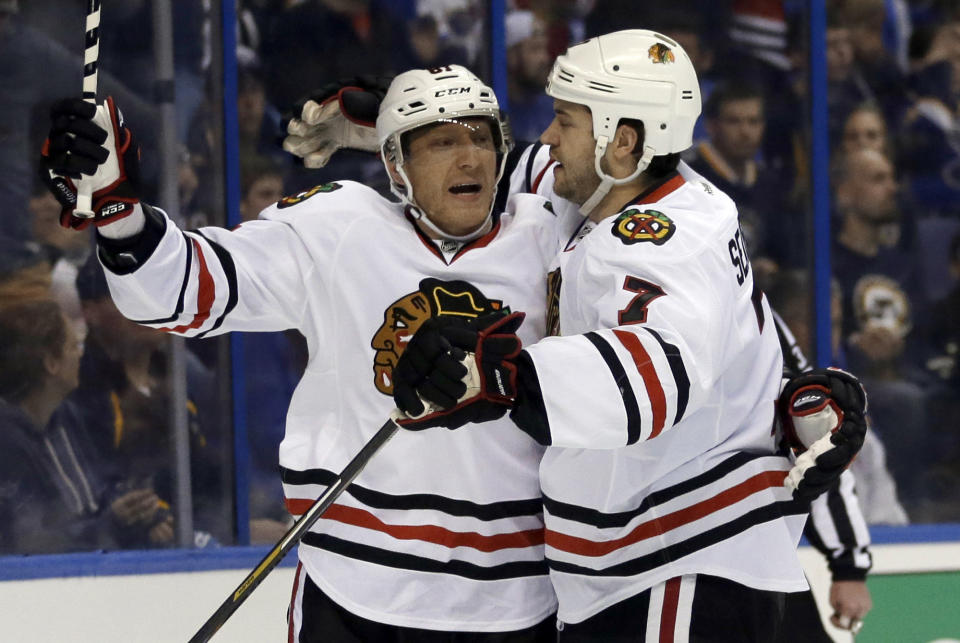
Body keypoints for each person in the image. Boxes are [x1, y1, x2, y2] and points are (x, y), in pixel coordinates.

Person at [41, 67, 561, 641]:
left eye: (482, 139)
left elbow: (604, 174)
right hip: (353, 585)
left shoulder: (551, 237)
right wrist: (121, 215)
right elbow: (180, 290)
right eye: (442, 141)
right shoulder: (338, 228)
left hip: (514, 597)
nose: (470, 159)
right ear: (395, 168)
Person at [390, 31, 867, 640]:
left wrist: (501, 375)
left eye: (564, 120)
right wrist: (392, 122)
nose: (548, 137)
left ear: (623, 139)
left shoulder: (658, 243)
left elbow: (652, 368)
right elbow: (527, 169)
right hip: (657, 570)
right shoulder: (658, 199)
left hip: (675, 570)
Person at [0, 298, 170, 553]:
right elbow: (33, 542)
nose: (81, 353)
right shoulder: (8, 444)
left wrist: (138, 516)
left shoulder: (66, 417)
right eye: (74, 346)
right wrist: (112, 525)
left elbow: (103, 487)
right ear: (51, 363)